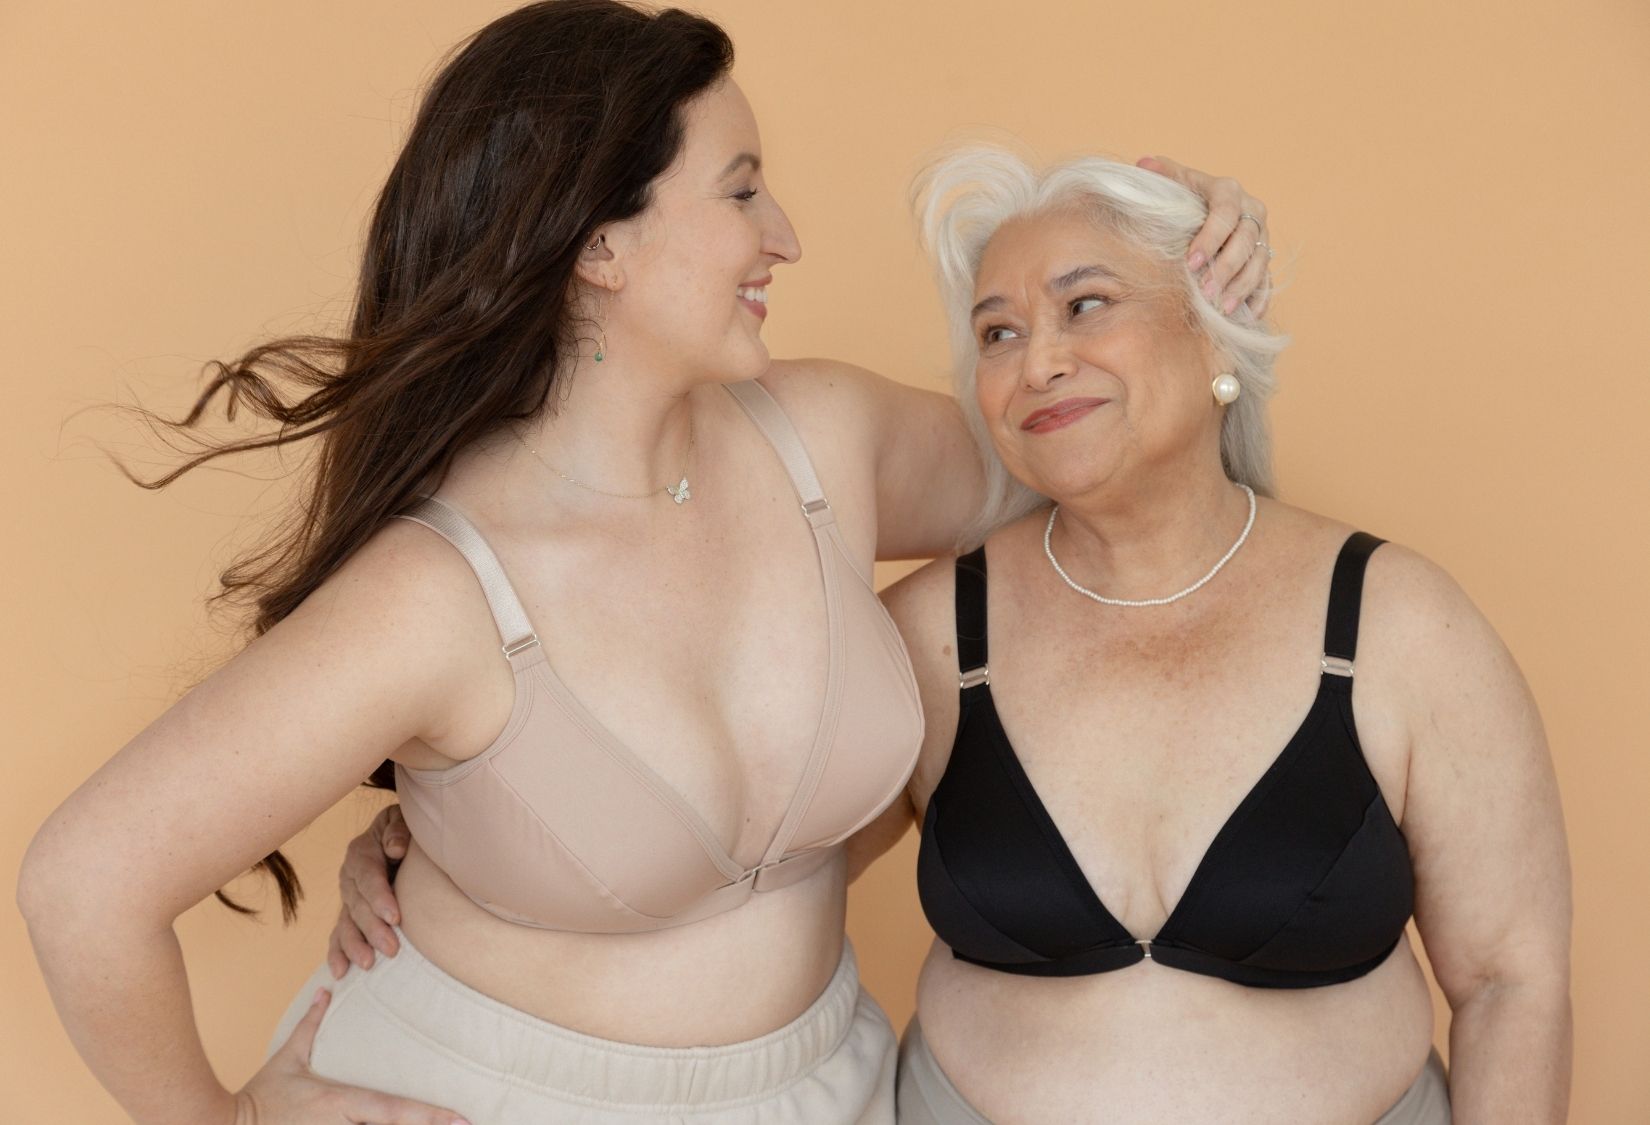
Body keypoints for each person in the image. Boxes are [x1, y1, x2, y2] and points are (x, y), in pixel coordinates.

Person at [15, 3, 1274, 1124]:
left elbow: (1086, 464)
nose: (784, 235)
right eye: (741, 192)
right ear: (601, 247)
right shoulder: (440, 593)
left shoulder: (823, 438)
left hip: (827, 1084)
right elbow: (85, 885)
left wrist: (1182, 262)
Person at [872, 149, 1569, 1122]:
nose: (1038, 363)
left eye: (1086, 304)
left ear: (1215, 334)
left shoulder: (1400, 625)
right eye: (999, 332)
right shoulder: (932, 638)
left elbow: (1509, 983)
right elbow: (749, 890)